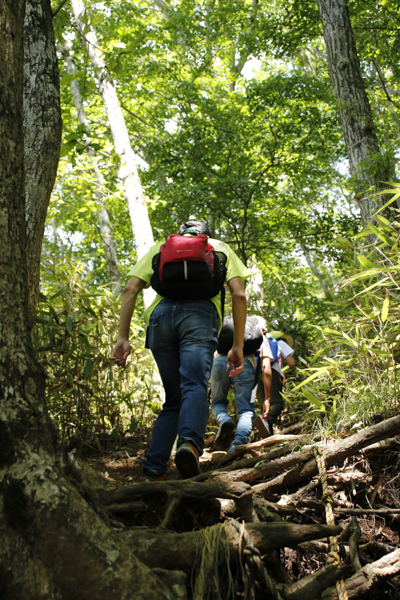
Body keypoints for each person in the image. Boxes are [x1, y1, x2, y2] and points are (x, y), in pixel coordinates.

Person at [112, 221, 250, 480]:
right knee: (194, 386)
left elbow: (131, 288)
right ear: (205, 235)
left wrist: (122, 337)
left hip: (160, 320)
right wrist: (238, 345)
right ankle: (189, 444)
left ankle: (153, 471)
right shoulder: (218, 247)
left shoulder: (160, 247)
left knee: (174, 398)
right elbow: (239, 294)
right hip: (200, 316)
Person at [210, 316, 263, 453]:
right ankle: (237, 446)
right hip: (245, 363)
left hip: (220, 360)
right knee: (246, 410)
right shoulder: (255, 326)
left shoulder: (227, 322)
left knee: (217, 402)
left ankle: (224, 419)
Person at [254, 329, 296, 438]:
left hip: (257, 375)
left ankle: (268, 436)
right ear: (281, 338)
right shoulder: (280, 343)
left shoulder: (262, 343)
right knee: (277, 404)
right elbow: (291, 363)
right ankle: (267, 420)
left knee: (265, 406)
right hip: (272, 372)